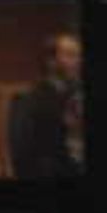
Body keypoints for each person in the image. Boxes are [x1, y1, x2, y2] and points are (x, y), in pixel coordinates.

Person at [8, 30, 85, 179]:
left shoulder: (77, 96)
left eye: (79, 55)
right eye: (70, 55)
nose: (78, 61)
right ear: (51, 61)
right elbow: (22, 157)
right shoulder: (28, 101)